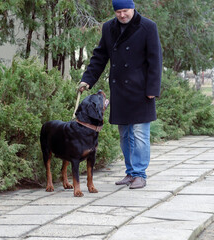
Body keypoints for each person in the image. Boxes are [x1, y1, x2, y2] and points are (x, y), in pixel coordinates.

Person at [78, 0, 162, 189]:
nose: (122, 15)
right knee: (125, 135)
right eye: (118, 12)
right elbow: (100, 56)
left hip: (141, 91)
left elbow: (155, 60)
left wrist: (152, 90)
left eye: (125, 11)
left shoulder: (148, 27)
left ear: (132, 8)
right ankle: (130, 172)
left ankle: (140, 174)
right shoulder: (108, 28)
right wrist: (87, 80)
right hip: (120, 91)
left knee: (140, 135)